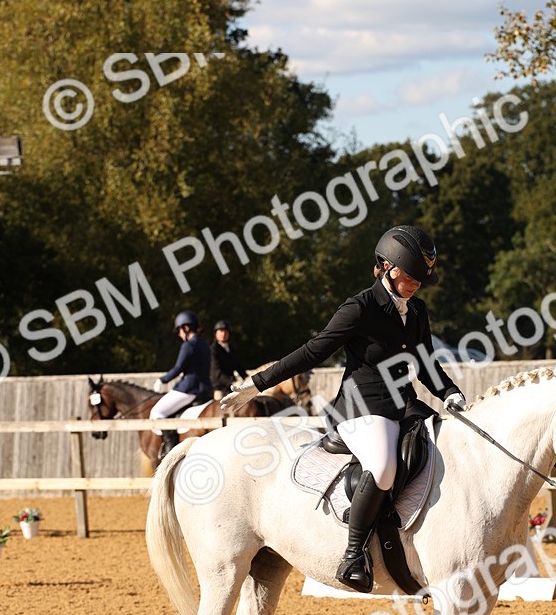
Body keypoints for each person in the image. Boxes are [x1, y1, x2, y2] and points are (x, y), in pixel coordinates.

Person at [222, 225, 466, 592]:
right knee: (383, 466)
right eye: (410, 276)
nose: (416, 283)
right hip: (361, 407)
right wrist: (256, 384)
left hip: (403, 405)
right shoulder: (360, 308)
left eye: (421, 278)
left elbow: (426, 362)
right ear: (386, 267)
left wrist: (449, 392)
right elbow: (312, 351)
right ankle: (353, 554)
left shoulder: (416, 312)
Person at [151, 311, 214, 455]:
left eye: (179, 330)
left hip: (189, 389)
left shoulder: (188, 345)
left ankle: (169, 449)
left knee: (157, 412)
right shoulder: (205, 344)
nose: (179, 334)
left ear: (185, 328)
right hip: (206, 389)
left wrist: (163, 380)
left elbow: (179, 368)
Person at [209, 320, 247, 399]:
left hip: (231, 387)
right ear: (215, 333)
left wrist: (248, 378)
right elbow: (217, 373)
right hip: (219, 388)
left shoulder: (231, 349)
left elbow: (239, 367)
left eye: (226, 331)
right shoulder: (213, 349)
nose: (223, 334)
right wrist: (232, 382)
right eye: (221, 331)